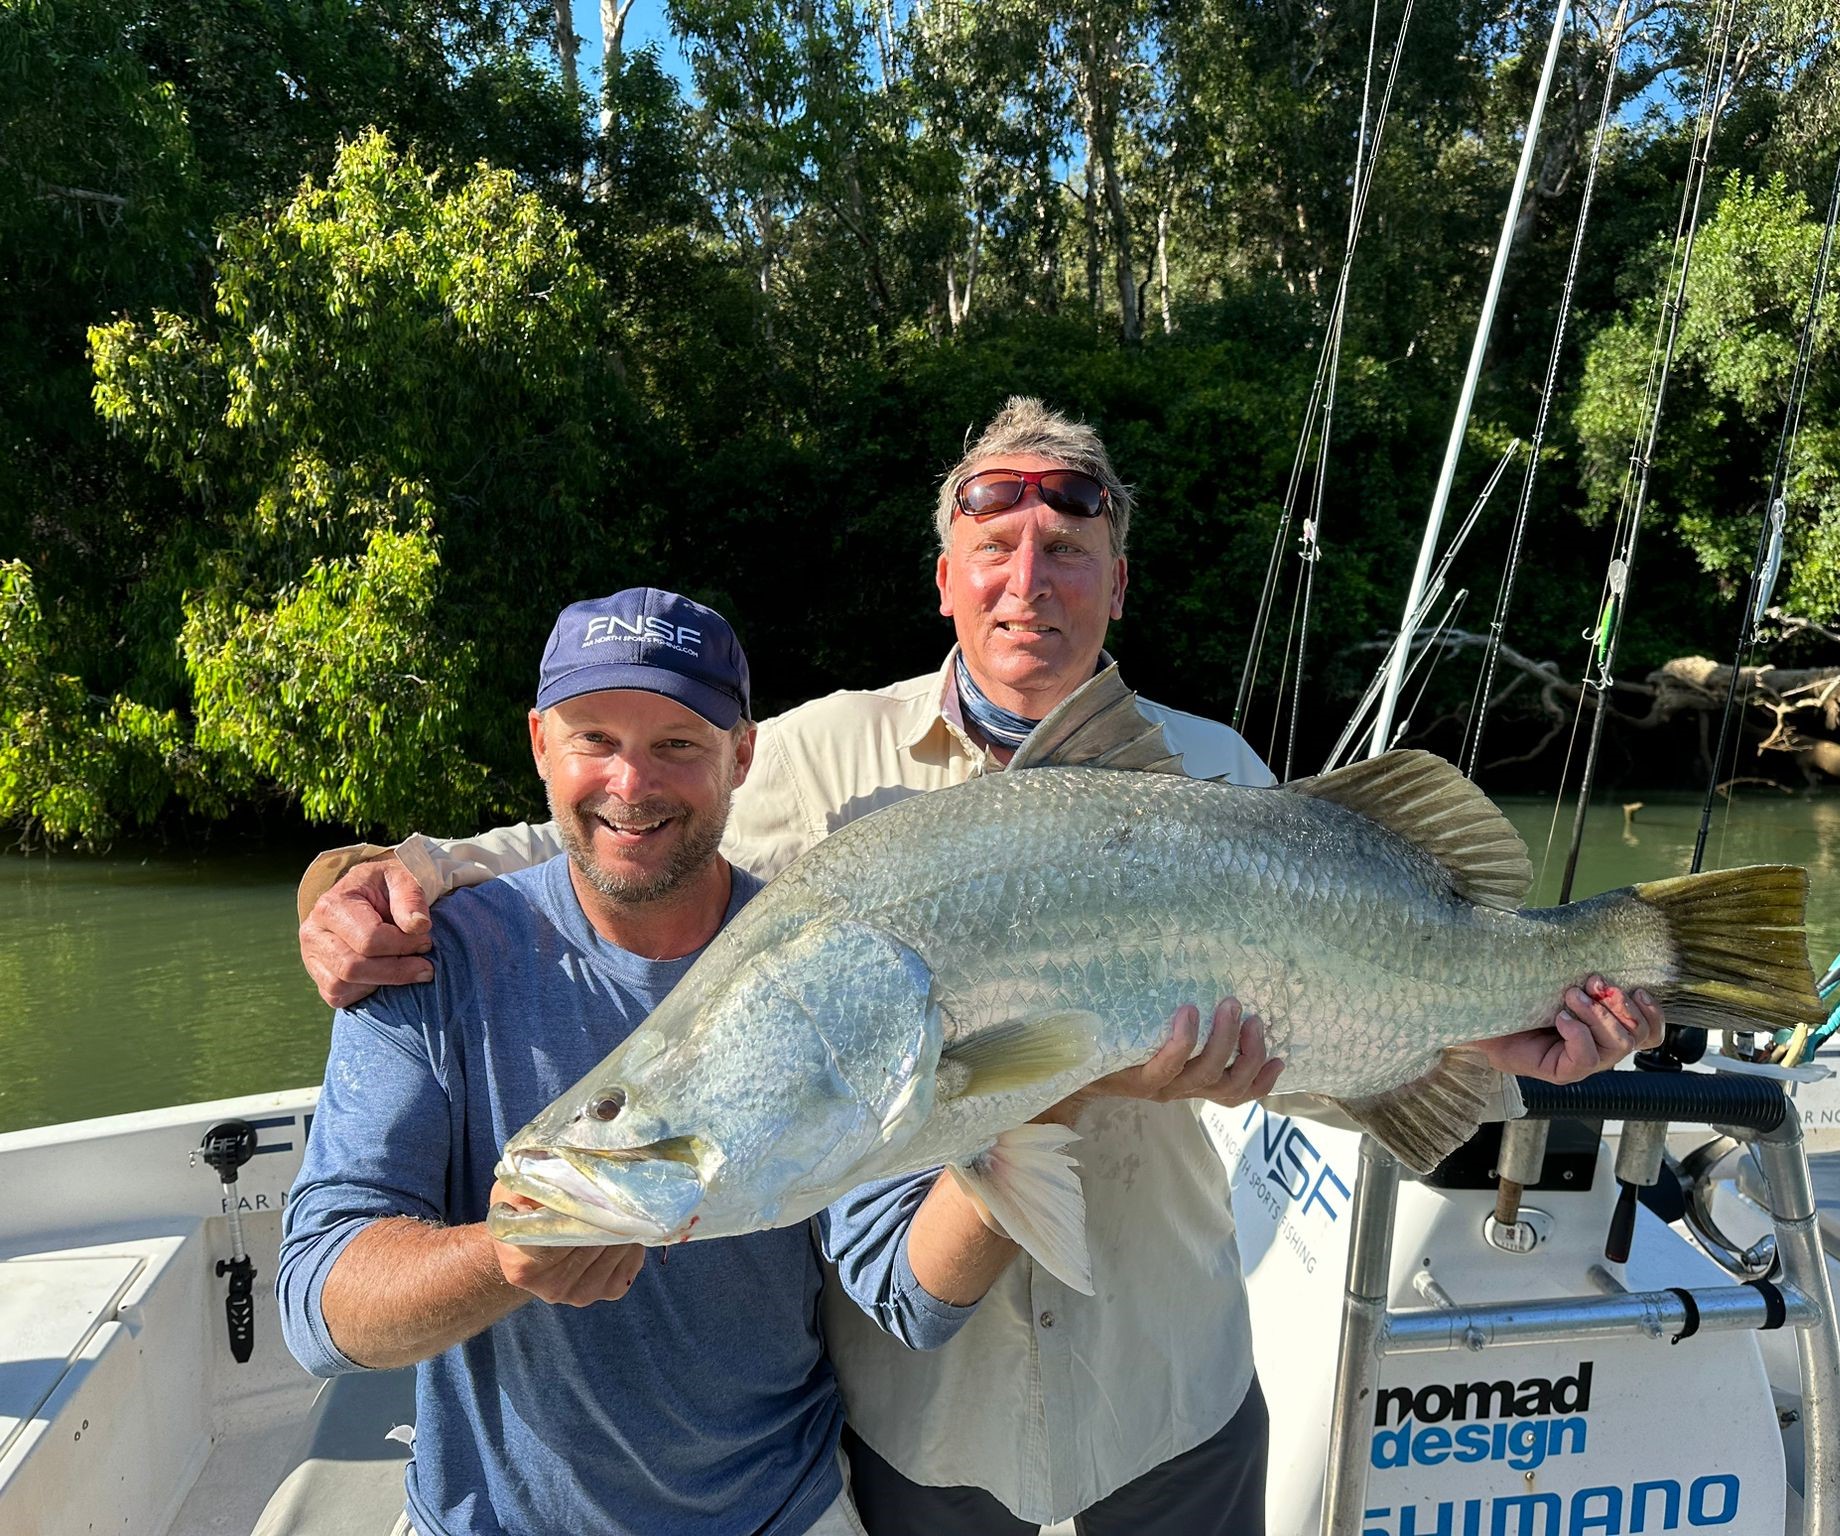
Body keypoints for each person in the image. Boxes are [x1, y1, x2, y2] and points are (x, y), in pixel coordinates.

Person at [295, 399, 1663, 1534]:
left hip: (1163, 1389)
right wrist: (359, 877)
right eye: (993, 544)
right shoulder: (812, 756)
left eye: (1069, 547)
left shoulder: (1225, 781)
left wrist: (1502, 1043)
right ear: (941, 575)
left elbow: (1342, 1028)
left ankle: (1693, 938)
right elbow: (610, 823)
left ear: (1117, 581)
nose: (1030, 580)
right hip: (922, 1414)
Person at [277, 589, 868, 1536]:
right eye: (594, 737)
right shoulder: (420, 954)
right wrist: (502, 1256)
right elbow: (318, 1307)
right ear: (540, 744)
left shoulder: (819, 965)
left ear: (742, 756)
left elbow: (902, 1285)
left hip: (780, 1510)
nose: (631, 784)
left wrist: (1049, 1090)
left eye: (677, 743)